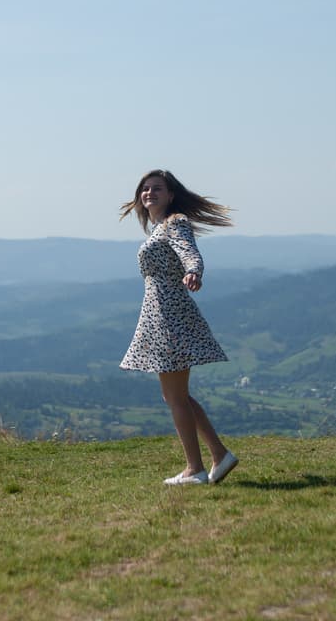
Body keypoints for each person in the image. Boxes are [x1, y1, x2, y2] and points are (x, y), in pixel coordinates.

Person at [119, 169, 239, 486]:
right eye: (145, 189)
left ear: (171, 195)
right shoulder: (159, 228)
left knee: (174, 397)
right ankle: (218, 456)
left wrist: (194, 272)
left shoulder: (175, 223)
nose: (149, 193)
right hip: (161, 314)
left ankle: (195, 469)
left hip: (170, 314)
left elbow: (190, 252)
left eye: (157, 188)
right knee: (178, 396)